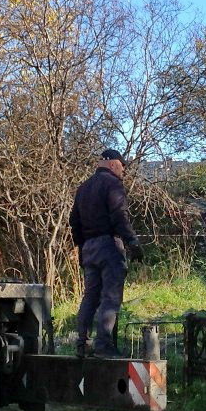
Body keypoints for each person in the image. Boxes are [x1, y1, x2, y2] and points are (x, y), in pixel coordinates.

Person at [69, 149, 143, 358]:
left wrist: (81, 248)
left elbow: (74, 221)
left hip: (89, 248)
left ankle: (82, 345)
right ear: (113, 164)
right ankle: (103, 346)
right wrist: (132, 241)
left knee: (90, 297)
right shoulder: (112, 183)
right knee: (111, 297)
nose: (124, 171)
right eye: (123, 166)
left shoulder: (83, 188)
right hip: (109, 245)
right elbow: (120, 214)